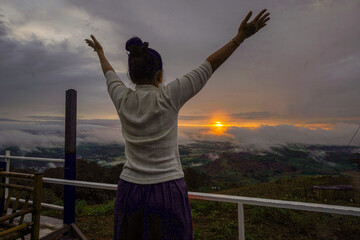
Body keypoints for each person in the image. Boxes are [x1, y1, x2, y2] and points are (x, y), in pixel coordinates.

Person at [86, 9, 270, 240]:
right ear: (160, 76)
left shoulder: (122, 97)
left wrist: (101, 52)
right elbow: (209, 65)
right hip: (167, 190)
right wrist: (239, 38)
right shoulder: (169, 96)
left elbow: (109, 73)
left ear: (131, 78)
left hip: (129, 190)